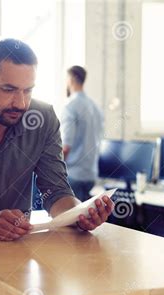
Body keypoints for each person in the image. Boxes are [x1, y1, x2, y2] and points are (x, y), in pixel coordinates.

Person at [0, 39, 113, 242]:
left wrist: (80, 214)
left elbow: (56, 192)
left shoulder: (44, 118)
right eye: (8, 90)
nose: (21, 103)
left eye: (28, 90)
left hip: (18, 243)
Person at [61, 66, 104, 201]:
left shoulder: (70, 105)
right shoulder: (95, 106)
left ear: (71, 79)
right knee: (83, 219)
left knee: (68, 220)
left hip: (73, 176)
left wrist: (54, 171)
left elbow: (66, 146)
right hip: (91, 175)